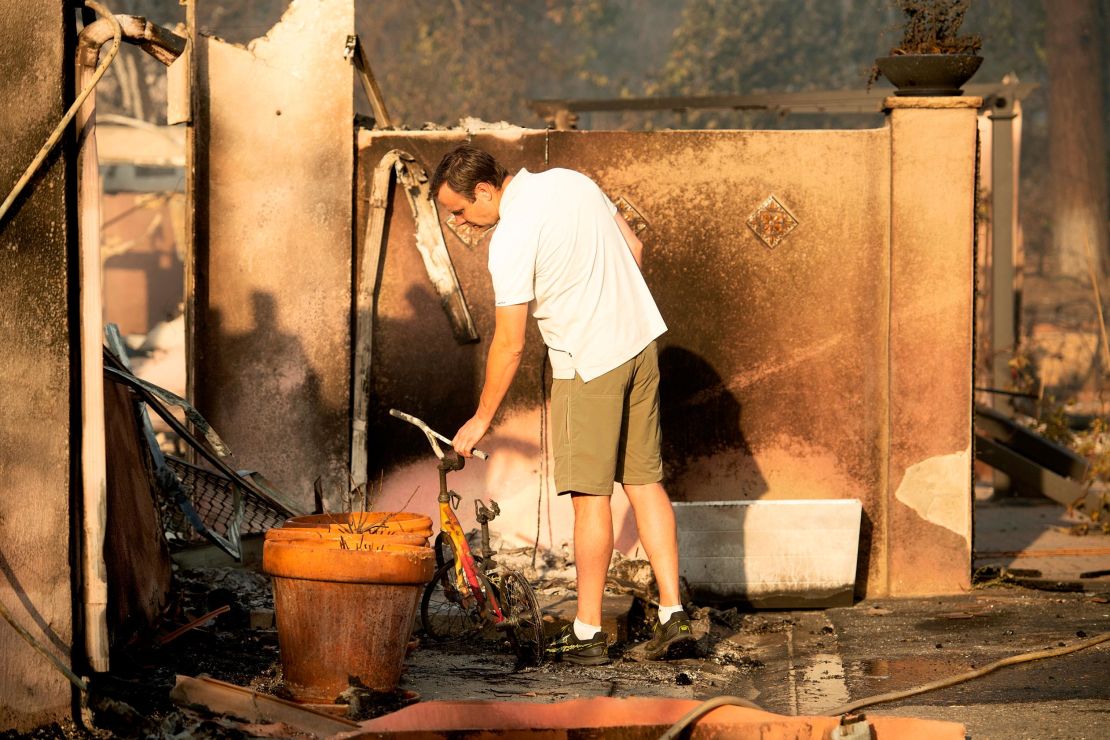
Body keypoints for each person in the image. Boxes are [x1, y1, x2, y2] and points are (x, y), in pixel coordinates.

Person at [431, 145, 694, 665]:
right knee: (644, 481)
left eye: (459, 210)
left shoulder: (509, 239)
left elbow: (509, 344)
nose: (461, 222)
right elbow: (635, 248)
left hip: (589, 365)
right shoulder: (573, 181)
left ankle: (589, 630)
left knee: (589, 498)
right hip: (640, 345)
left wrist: (482, 419)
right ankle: (673, 615)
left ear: (484, 190)